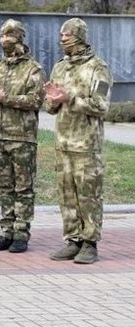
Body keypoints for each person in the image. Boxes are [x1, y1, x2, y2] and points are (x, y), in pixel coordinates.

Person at [45, 17, 111, 265]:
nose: (62, 38)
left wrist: (69, 97)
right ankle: (73, 240)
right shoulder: (59, 67)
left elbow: (101, 105)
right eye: (61, 35)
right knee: (67, 195)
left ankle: (90, 243)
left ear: (80, 36)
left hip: (86, 145)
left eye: (67, 34)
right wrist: (52, 100)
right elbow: (50, 107)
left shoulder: (98, 67)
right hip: (63, 143)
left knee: (88, 195)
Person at [0, 19, 45, 253]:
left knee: (23, 188)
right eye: (2, 36)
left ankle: (21, 233)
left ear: (19, 37)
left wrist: (5, 97)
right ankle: (6, 232)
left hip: (22, 138)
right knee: (5, 187)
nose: (4, 40)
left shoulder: (33, 69)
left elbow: (36, 100)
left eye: (9, 36)